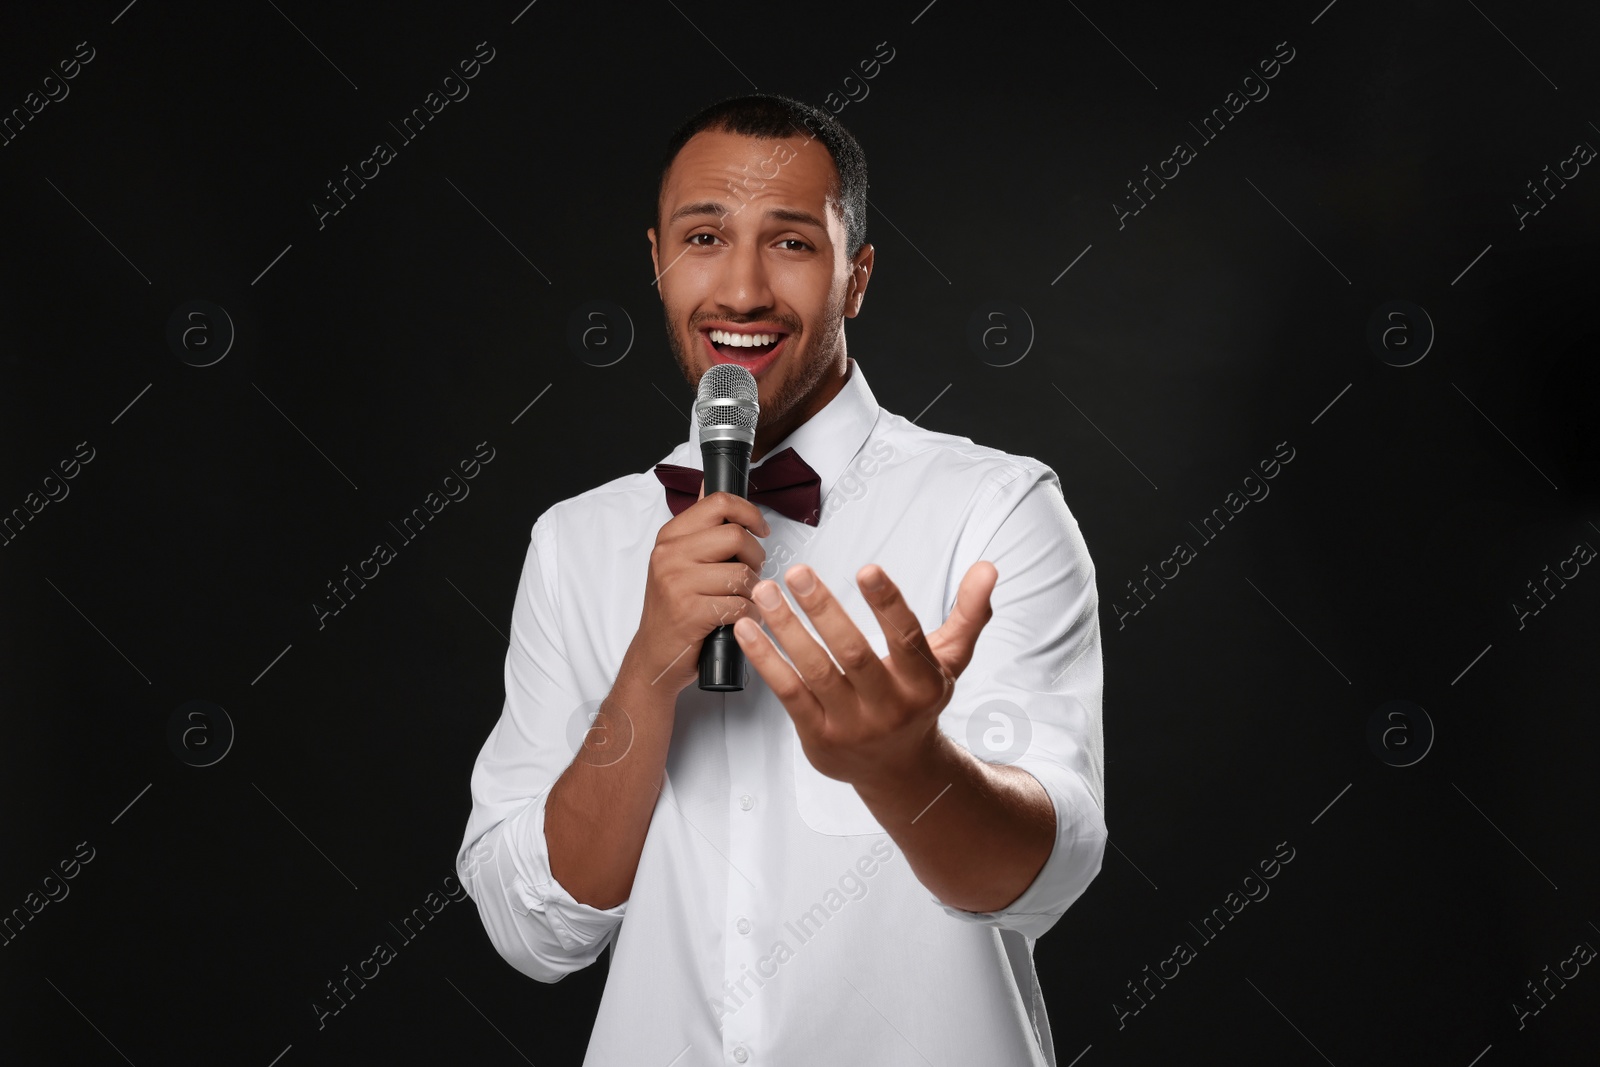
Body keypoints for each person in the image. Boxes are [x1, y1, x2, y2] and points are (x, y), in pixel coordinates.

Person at [456, 92, 1107, 1066]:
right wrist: (647, 671)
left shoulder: (995, 509)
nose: (744, 291)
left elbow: (1045, 874)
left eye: (793, 243)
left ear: (857, 277)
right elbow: (535, 930)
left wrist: (905, 765)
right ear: (657, 260)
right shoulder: (576, 541)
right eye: (705, 236)